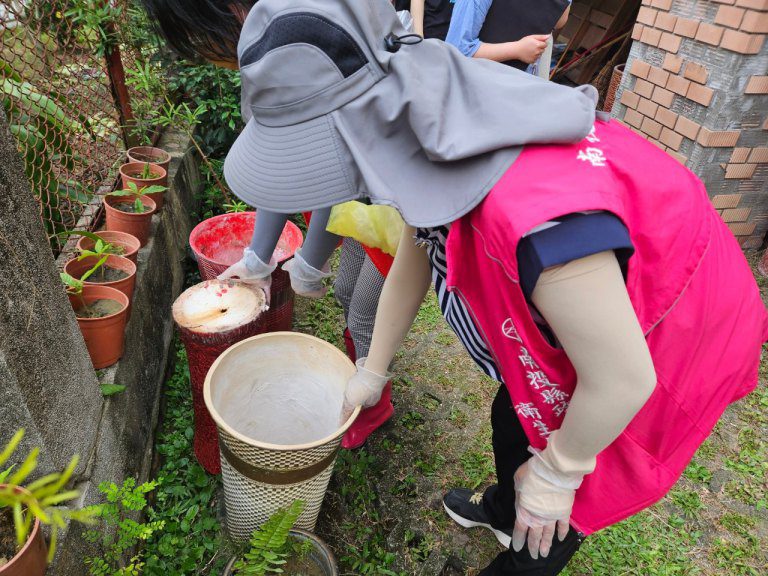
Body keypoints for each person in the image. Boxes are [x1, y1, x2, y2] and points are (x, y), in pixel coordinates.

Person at [150, 1, 767, 574]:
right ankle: (502, 506)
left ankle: (525, 532)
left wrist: (559, 472)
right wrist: (373, 367)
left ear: (361, 132)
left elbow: (623, 379)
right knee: (515, 410)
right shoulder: (428, 116)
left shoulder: (537, 223)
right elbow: (423, 244)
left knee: (554, 513)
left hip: (670, 329)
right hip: (599, 317)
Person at [142, 0, 396, 449]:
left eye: (202, 40)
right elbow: (286, 166)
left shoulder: (313, 47)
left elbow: (341, 181)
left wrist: (310, 261)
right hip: (361, 215)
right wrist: (258, 261)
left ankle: (373, 400)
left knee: (365, 310)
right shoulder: (274, 45)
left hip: (389, 216)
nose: (210, 55)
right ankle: (362, 358)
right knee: (346, 292)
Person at [446, 0, 571, 72]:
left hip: (513, 87)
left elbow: (560, 21)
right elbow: (456, 50)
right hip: (473, 88)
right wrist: (516, 50)